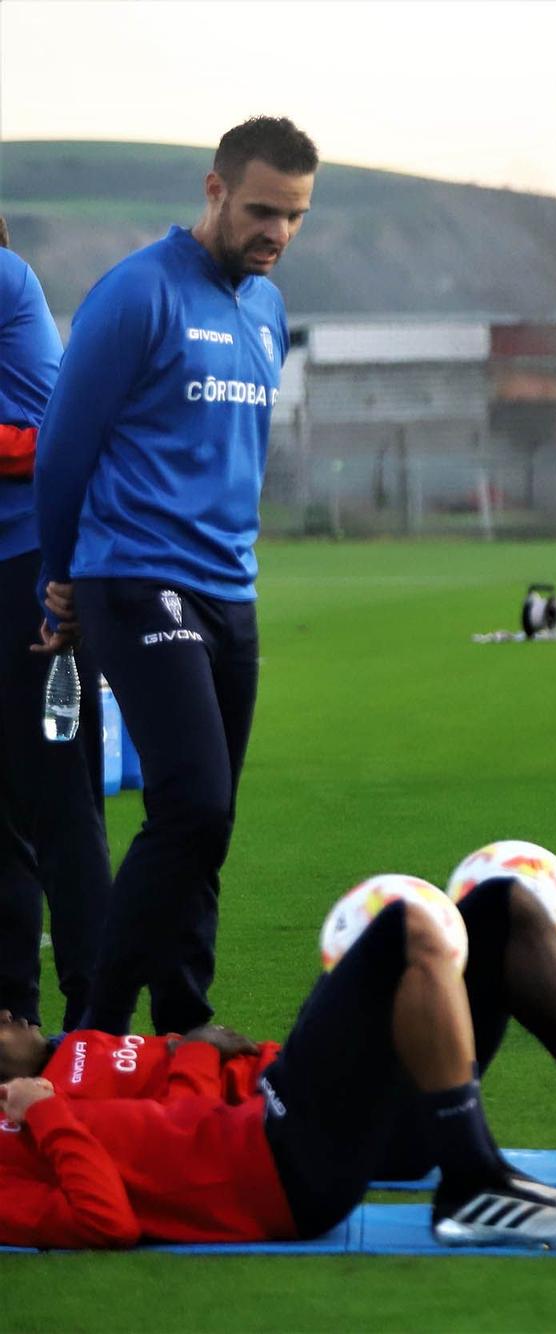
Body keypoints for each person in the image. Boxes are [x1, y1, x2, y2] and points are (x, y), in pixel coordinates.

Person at [0, 874, 556, 1251]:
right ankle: (472, 1182)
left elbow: (169, 1111)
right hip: (282, 1164)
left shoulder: (62, 1066)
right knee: (405, 928)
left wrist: (60, 1104)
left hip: (280, 1118)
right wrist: (47, 1115)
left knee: (506, 900)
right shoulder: (25, 1128)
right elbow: (102, 1223)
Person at [33, 117, 317, 1035]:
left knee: (208, 817)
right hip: (132, 574)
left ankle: (183, 1013)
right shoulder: (138, 293)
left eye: (295, 216)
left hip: (231, 588)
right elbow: (62, 448)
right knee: (190, 798)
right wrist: (59, 573)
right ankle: (95, 1029)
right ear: (215, 190)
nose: (277, 232)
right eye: (263, 210)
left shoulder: (268, 310)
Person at [0, 217, 113, 1033]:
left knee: (59, 799)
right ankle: (13, 1024)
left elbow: (48, 440)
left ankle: (91, 1025)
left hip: (30, 570)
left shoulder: (6, 278)